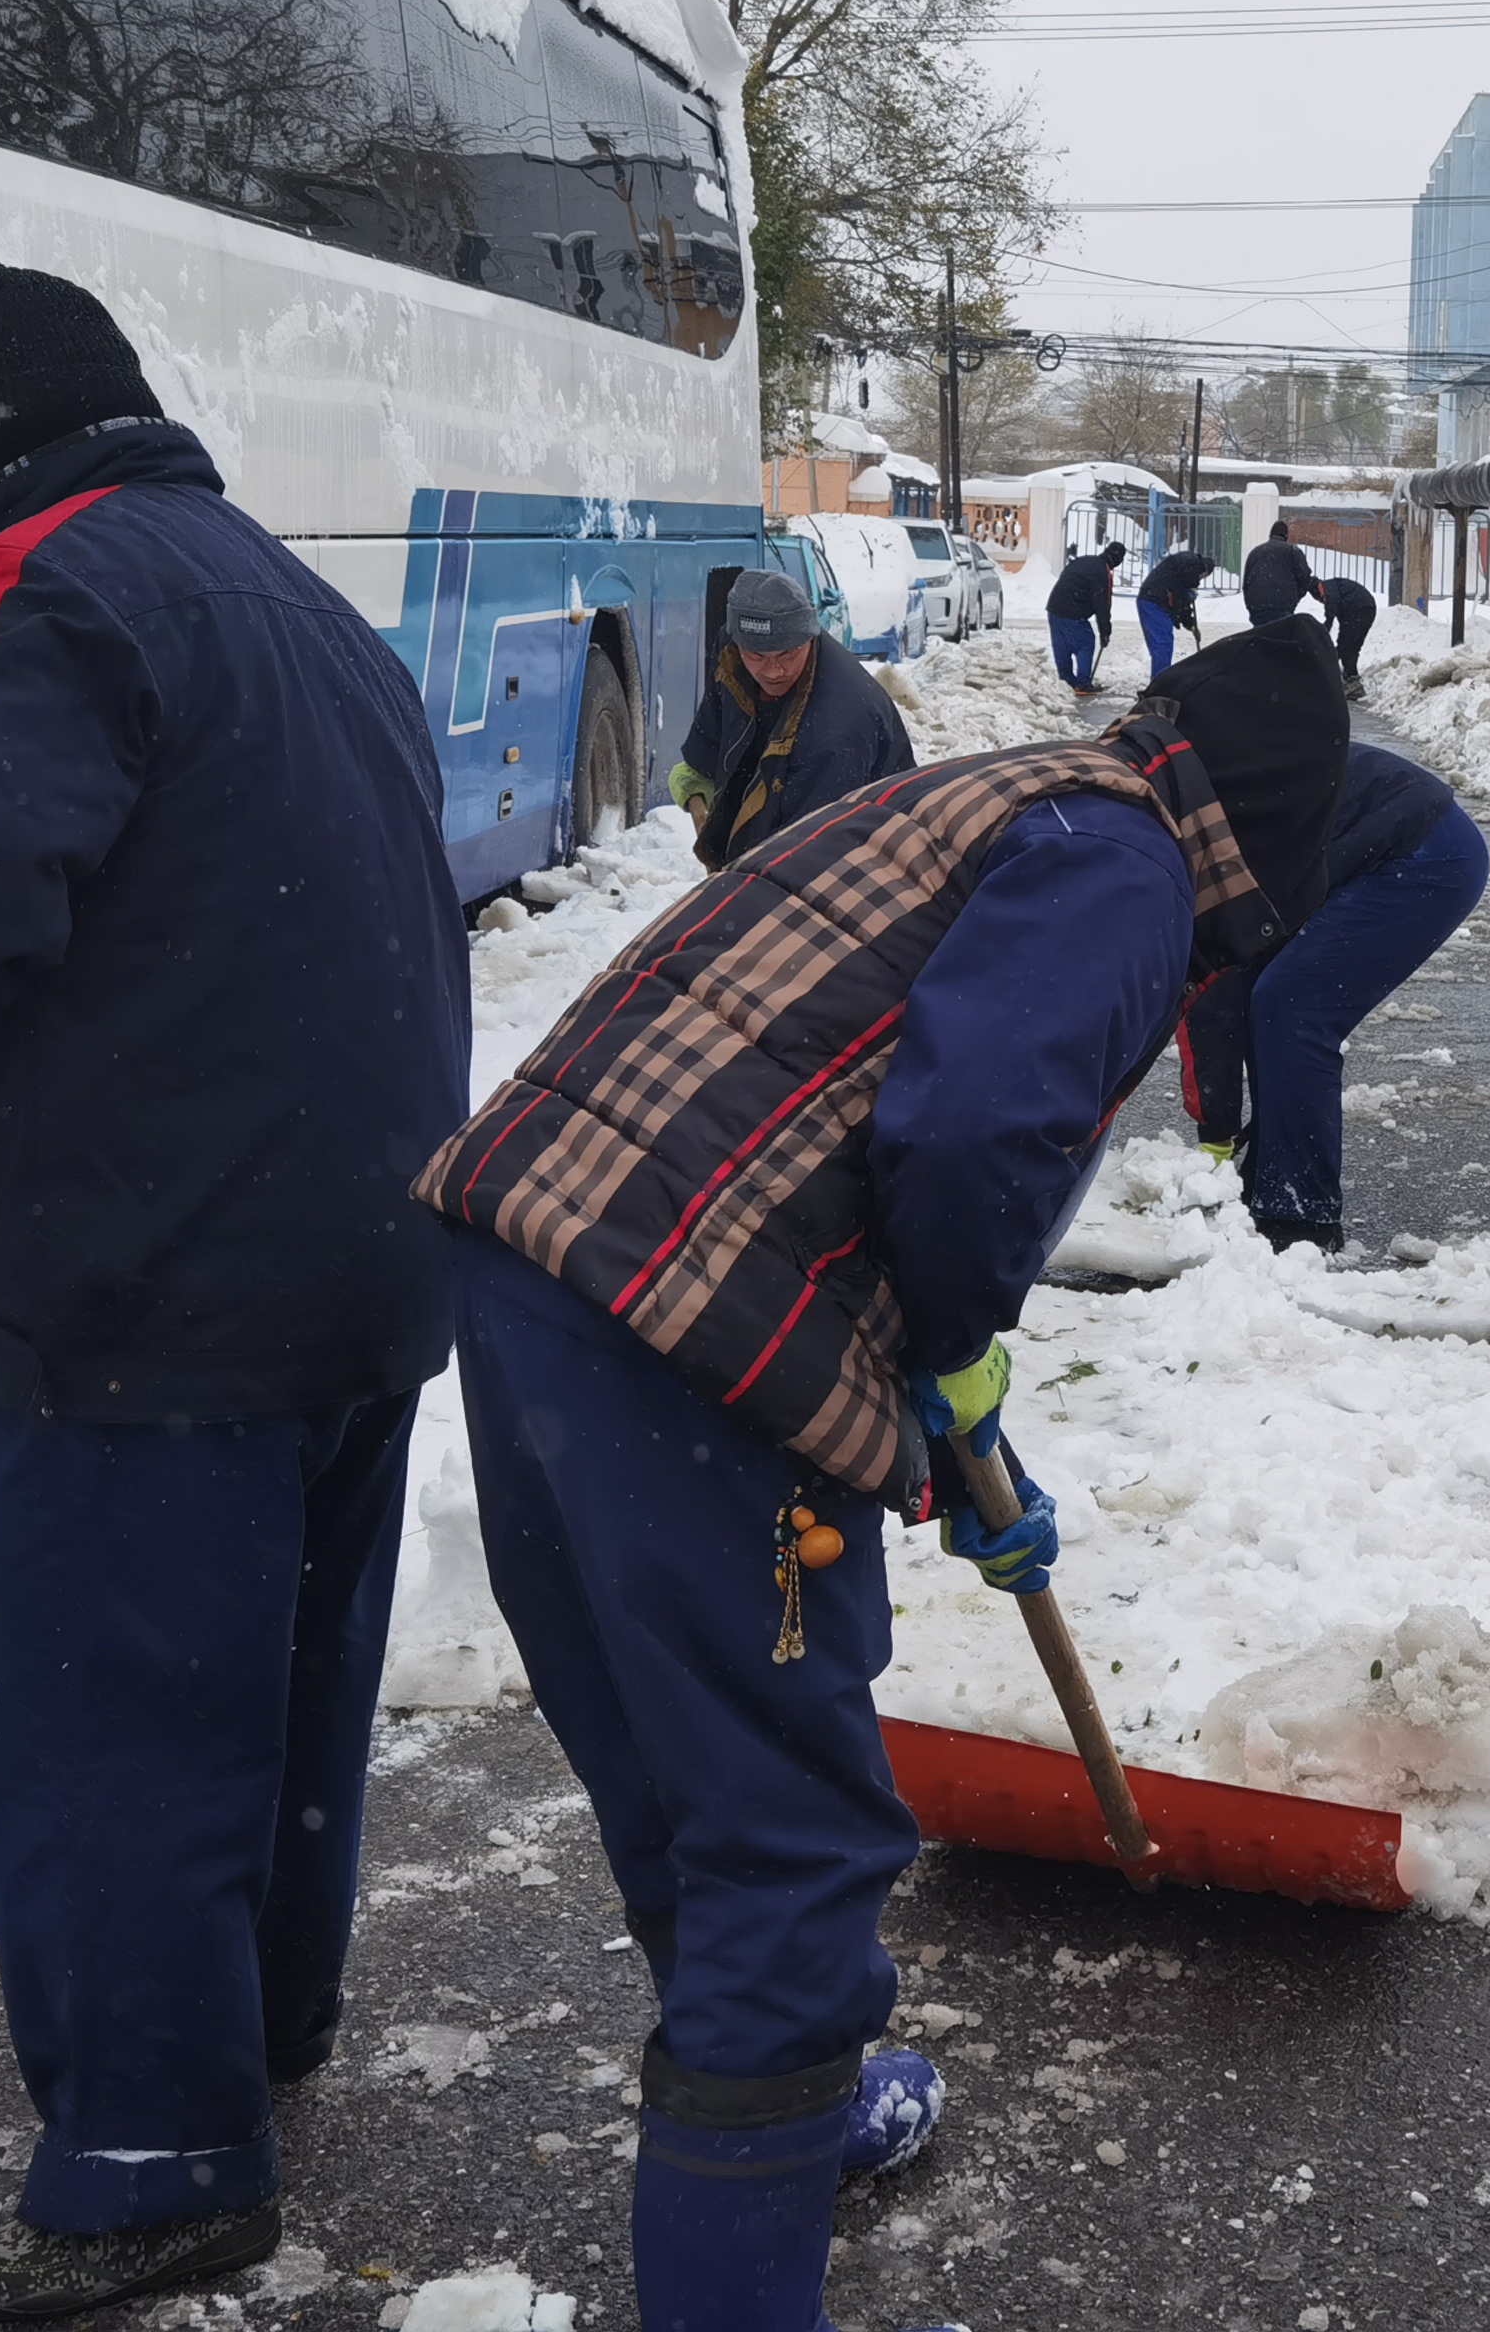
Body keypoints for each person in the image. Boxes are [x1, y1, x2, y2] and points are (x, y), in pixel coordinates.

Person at [0, 261, 464, 2325]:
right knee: (284, 1683)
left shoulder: (37, 582)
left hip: (160, 1275)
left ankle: (148, 2162)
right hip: (371, 1251)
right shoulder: (285, 595)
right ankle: (258, 2022)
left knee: (113, 1730)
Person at [419, 703, 1314, 2332]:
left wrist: (955, 1430)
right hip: (691, 1316)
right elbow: (971, 1137)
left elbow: (876, 1090)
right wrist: (952, 1343)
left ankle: (786, 2100)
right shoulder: (1127, 861)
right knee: (784, 1834)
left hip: (543, 1258)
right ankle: (750, 2215)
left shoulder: (1019, 795)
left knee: (683, 1763)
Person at [1181, 741, 1487, 1248]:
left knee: (1292, 1007)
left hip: (1425, 853)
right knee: (1264, 988)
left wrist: (1216, 1133)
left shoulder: (1188, 834)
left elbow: (1209, 995)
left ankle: (1300, 1217)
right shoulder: (1176, 807)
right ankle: (1268, 1180)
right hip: (1367, 842)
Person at [1142, 541, 1353, 929]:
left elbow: (1243, 581)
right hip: (1280, 608)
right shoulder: (1322, 727)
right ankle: (1279, 685)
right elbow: (1303, 576)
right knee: (1279, 651)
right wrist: (1304, 593)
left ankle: (1270, 683)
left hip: (1258, 608)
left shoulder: (1255, 554)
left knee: (1265, 647)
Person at [671, 564, 915, 870]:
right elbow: (723, 710)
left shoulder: (838, 728)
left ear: (809, 636)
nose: (774, 671)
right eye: (757, 656)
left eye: (787, 654)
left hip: (864, 863)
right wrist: (700, 764)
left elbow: (807, 855)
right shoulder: (732, 653)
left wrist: (743, 885)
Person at [1043, 537, 1128, 695]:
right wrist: (1105, 631)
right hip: (1072, 612)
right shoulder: (1101, 572)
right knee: (1086, 642)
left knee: (1062, 646)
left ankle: (1066, 681)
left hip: (1054, 608)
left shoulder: (1085, 561)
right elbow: (1102, 604)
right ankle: (1082, 683)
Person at [1135, 535, 1217, 685]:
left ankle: (1160, 680)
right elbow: (1181, 598)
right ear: (1205, 570)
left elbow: (1181, 602)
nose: (1200, 579)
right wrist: (1190, 590)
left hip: (1154, 602)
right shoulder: (1191, 563)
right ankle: (1159, 684)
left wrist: (1191, 624)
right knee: (1162, 644)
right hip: (1154, 602)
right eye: (1202, 576)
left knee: (1163, 644)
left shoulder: (1185, 570)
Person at [1310, 567, 1381, 697]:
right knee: (1348, 645)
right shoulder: (1334, 587)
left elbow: (1330, 618)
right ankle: (1349, 678)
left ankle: (1353, 683)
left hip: (1360, 610)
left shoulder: (1329, 591)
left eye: (1321, 600)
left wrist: (1320, 639)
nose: (1322, 602)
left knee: (1348, 646)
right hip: (1364, 609)